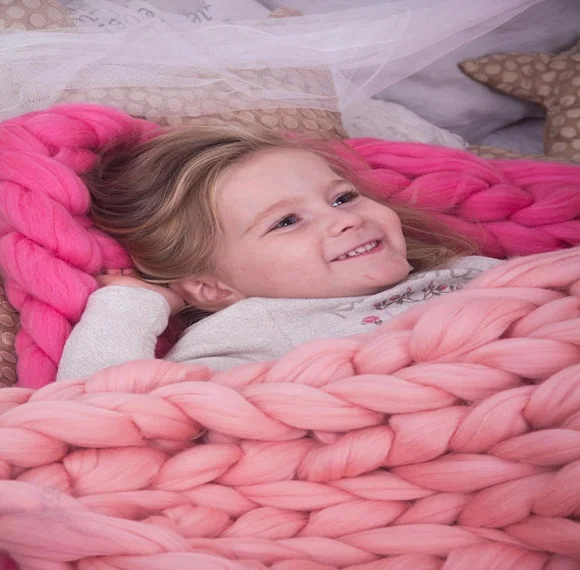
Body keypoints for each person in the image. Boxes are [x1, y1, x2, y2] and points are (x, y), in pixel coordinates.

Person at [56, 127, 501, 381]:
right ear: (213, 287)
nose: (344, 220)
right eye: (287, 221)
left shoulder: (467, 271)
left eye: (343, 197)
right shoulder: (256, 328)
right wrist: (129, 306)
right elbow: (109, 410)